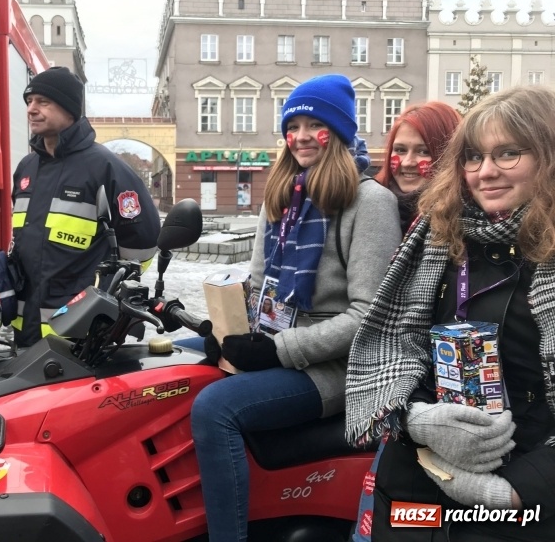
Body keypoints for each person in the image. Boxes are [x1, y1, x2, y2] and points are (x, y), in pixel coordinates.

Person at [186, 74, 401, 541]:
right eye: (293, 125)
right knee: (178, 357)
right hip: (285, 342)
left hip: (338, 368)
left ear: (339, 132)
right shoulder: (280, 198)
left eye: (315, 124)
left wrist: (276, 350)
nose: (302, 136)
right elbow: (261, 290)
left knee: (213, 408)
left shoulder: (370, 202)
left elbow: (368, 316)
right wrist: (225, 329)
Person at [345, 85, 555, 541]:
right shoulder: (437, 234)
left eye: (509, 153)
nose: (486, 172)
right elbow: (396, 345)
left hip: (518, 501)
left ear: (547, 157)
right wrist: (414, 417)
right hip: (416, 481)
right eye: (474, 157)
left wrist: (513, 493)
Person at [8, 66, 160, 347]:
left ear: (69, 109)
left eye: (43, 101)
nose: (31, 109)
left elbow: (143, 245)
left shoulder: (106, 167)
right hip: (25, 333)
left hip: (81, 333)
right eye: (29, 101)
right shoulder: (26, 168)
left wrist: (105, 293)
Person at [374, 101, 461, 232]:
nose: (407, 162)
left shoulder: (464, 220)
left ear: (449, 156)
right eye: (400, 150)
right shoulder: (370, 204)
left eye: (423, 151)